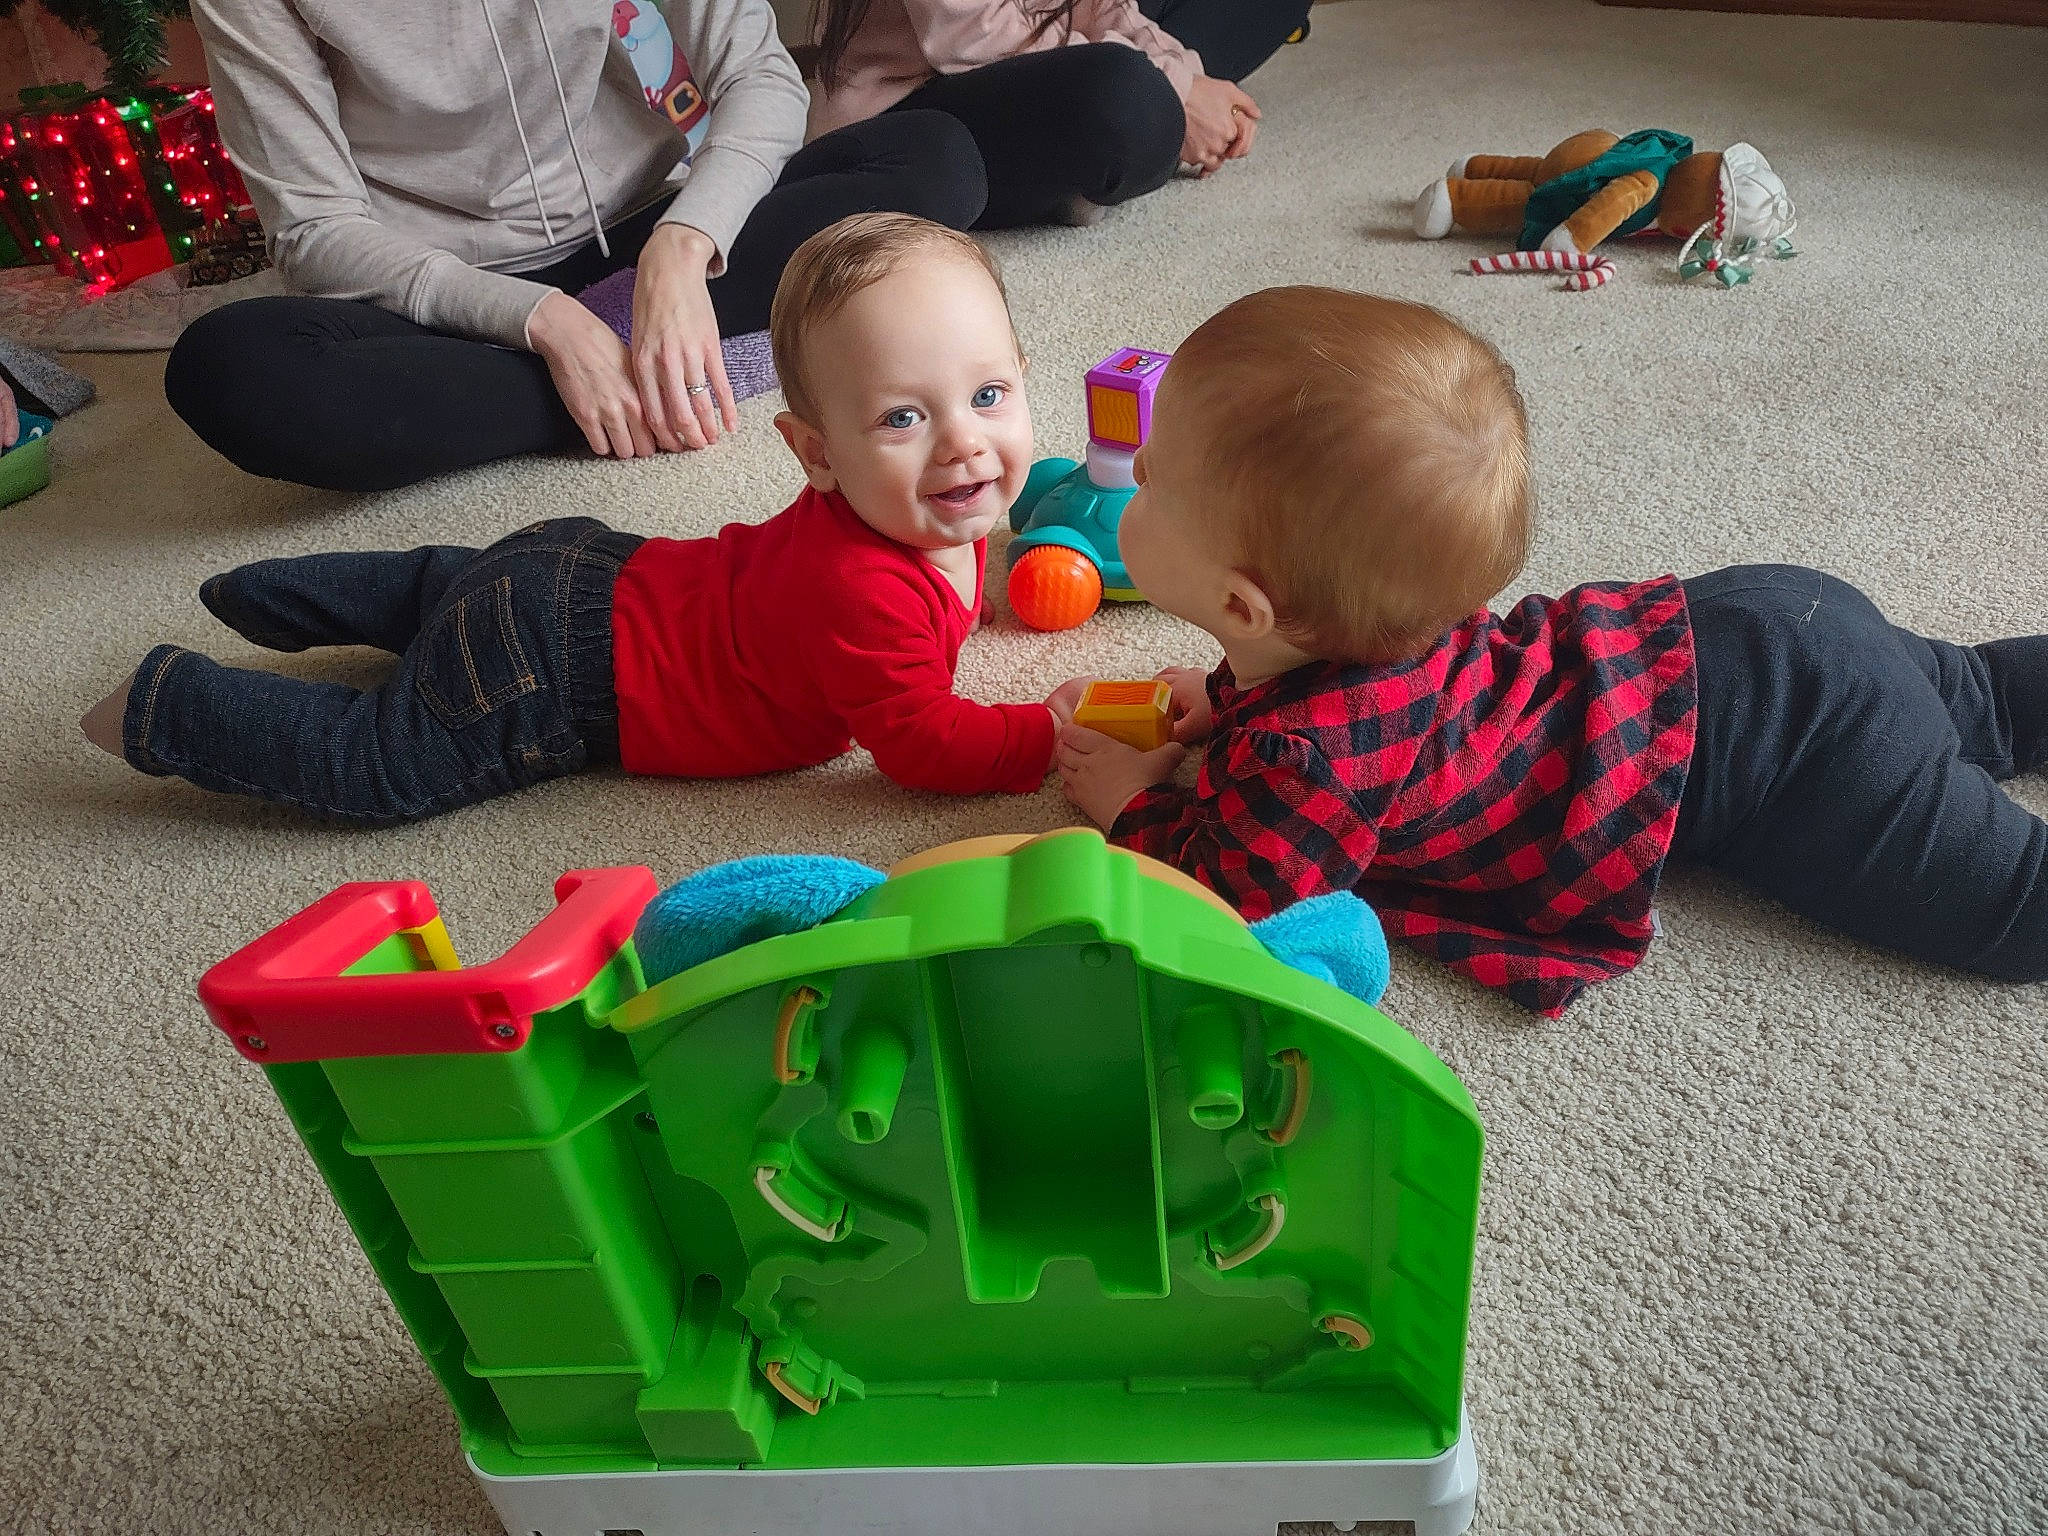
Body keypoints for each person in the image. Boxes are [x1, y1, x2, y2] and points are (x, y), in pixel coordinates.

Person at [1053, 287, 2048, 1014]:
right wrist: (1225, 703)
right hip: (1760, 618)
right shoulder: (1368, 626)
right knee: (1989, 699)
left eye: (1152, 477)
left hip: (1795, 753)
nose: (1130, 466)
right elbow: (1324, 694)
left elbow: (1237, 897)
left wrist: (1134, 803)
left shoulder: (1306, 764)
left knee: (2017, 915)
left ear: (1240, 601)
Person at [85, 215, 1088, 823]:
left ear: (1021, 381)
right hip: (560, 675)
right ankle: (163, 704)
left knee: (448, 584)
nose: (964, 443)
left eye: (988, 396)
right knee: (381, 760)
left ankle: (277, 594)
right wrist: (1041, 737)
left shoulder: (913, 517)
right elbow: (921, 743)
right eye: (903, 418)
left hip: (578, 564)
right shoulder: (866, 592)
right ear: (814, 453)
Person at [168, 0, 989, 492]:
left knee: (931, 159)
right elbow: (313, 228)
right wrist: (546, 323)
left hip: (643, 223)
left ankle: (630, 354)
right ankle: (634, 374)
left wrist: (681, 249)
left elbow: (760, 75)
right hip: (452, 288)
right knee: (228, 369)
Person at [805, 0, 1313, 228]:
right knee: (1129, 101)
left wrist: (1187, 77)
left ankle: (1096, 159)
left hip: (1045, 71)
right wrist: (1177, 89)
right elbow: (974, 35)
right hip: (921, 100)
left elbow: (1100, 6)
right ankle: (1094, 160)